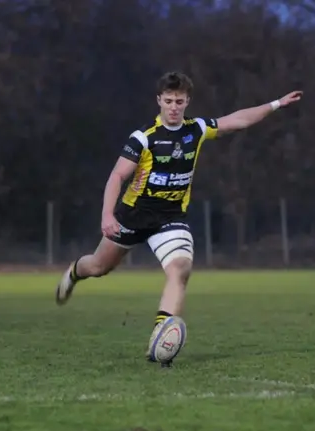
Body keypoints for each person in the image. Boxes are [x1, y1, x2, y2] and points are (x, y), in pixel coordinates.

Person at [55, 71, 302, 364]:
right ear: (159, 100)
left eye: (179, 101)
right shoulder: (143, 138)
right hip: (132, 216)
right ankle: (73, 272)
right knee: (97, 267)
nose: (173, 106)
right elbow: (117, 175)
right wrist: (107, 214)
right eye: (169, 100)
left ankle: (161, 337)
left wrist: (276, 104)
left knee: (181, 268)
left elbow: (238, 120)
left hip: (170, 217)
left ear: (187, 102)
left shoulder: (195, 130)